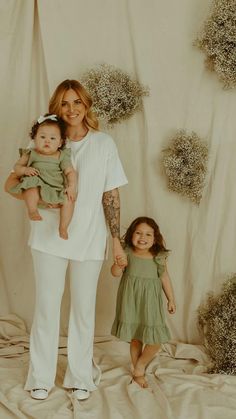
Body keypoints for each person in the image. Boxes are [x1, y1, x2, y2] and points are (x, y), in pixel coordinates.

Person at [5, 79, 128, 400]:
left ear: (86, 105)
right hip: (47, 238)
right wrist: (39, 201)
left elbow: (111, 194)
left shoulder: (104, 144)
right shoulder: (45, 141)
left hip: (90, 238)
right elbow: (13, 184)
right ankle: (40, 378)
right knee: (46, 306)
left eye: (76, 102)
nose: (71, 109)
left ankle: (80, 376)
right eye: (64, 103)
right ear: (55, 108)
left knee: (84, 309)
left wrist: (116, 240)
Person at [111, 216, 176, 388]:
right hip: (130, 301)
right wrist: (118, 264)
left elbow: (164, 277)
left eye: (148, 234)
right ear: (132, 234)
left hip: (151, 303)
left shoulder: (158, 256)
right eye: (138, 233)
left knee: (155, 341)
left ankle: (140, 365)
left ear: (155, 238)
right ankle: (138, 372)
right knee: (135, 338)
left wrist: (171, 299)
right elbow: (115, 273)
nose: (143, 237)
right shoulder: (126, 252)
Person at [9, 114, 77, 240]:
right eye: (42, 137)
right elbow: (17, 167)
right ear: (34, 139)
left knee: (69, 200)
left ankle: (63, 227)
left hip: (55, 190)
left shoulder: (61, 155)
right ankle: (32, 209)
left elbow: (70, 172)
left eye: (52, 138)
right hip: (37, 185)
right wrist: (25, 170)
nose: (47, 141)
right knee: (31, 187)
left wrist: (72, 186)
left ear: (60, 142)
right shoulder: (31, 153)